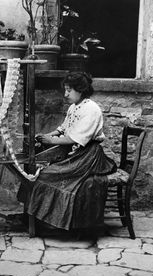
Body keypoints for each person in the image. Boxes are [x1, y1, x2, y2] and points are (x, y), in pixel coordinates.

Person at [21, 72, 117, 234]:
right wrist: (46, 136)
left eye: (68, 90)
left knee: (47, 174)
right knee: (44, 172)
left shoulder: (91, 109)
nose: (65, 94)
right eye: (65, 90)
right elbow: (63, 129)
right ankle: (42, 218)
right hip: (76, 153)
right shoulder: (74, 107)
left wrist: (50, 141)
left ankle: (54, 222)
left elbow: (74, 138)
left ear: (81, 90)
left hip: (88, 155)